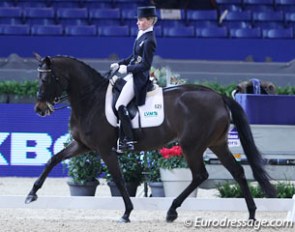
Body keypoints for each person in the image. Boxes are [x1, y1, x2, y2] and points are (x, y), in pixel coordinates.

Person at [110, 6, 158, 152]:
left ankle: (128, 140)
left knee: (120, 105)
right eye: (138, 19)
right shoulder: (141, 35)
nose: (138, 22)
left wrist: (127, 69)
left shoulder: (150, 40)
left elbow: (145, 65)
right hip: (132, 73)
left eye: (141, 19)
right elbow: (134, 57)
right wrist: (120, 63)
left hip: (139, 77)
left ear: (150, 21)